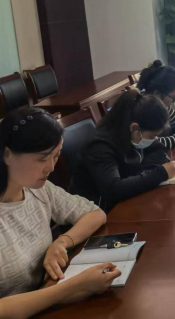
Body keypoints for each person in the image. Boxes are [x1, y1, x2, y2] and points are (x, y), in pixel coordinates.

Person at [0, 108, 121, 317]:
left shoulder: (38, 189)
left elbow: (95, 214)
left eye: (56, 156)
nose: (51, 167)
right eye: (42, 159)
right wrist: (74, 286)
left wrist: (62, 242)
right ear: (7, 154)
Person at [71, 90, 175, 211]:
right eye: (152, 136)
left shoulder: (128, 132)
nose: (154, 140)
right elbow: (114, 190)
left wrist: (139, 176)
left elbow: (159, 149)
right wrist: (160, 173)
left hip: (122, 202)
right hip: (96, 210)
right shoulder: (99, 145)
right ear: (134, 127)